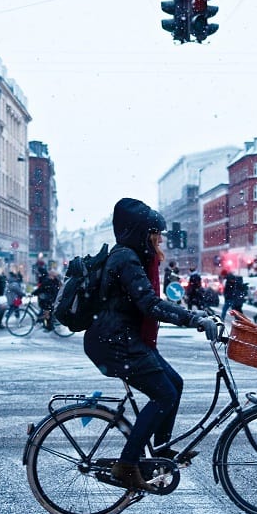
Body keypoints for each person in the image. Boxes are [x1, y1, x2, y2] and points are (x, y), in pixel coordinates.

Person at [84, 198, 216, 491]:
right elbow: (149, 305)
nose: (159, 239)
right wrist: (192, 318)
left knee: (175, 384)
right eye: (155, 233)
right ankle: (127, 465)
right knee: (164, 396)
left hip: (120, 338)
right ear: (140, 232)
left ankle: (160, 450)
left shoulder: (130, 256)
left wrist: (195, 316)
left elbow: (147, 302)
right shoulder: (126, 259)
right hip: (115, 342)